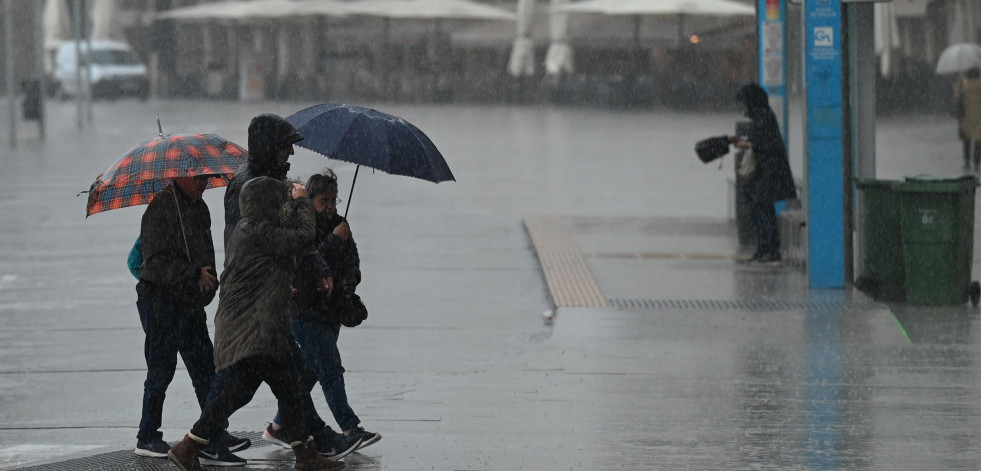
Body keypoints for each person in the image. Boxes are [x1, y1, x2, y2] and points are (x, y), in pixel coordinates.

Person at [167, 176, 357, 471]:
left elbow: (266, 273)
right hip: (253, 330)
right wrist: (303, 200)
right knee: (248, 391)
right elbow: (304, 238)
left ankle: (304, 455)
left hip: (261, 326)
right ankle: (189, 445)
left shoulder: (255, 230)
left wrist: (285, 288)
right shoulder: (255, 230)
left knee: (283, 390)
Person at [133, 175, 248, 466]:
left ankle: (212, 434)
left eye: (207, 178)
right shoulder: (161, 207)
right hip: (160, 301)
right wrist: (193, 272)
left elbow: (203, 251)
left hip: (188, 301)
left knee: (205, 368)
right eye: (198, 178)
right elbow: (156, 262)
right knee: (161, 368)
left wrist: (207, 280)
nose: (204, 183)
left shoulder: (198, 207)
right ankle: (147, 435)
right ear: (180, 176)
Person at [264, 169, 381, 452]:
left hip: (332, 312)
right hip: (306, 311)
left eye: (332, 200)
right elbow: (308, 259)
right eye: (323, 201)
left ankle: (278, 426)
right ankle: (349, 426)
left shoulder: (341, 224)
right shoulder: (304, 225)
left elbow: (354, 263)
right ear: (311, 200)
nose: (329, 206)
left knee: (309, 373)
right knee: (329, 369)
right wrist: (335, 241)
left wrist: (348, 280)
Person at [729, 83, 797, 264]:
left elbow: (759, 142)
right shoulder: (763, 114)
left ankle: (770, 249)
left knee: (762, 206)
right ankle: (764, 248)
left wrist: (742, 142)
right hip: (766, 169)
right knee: (759, 207)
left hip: (770, 170)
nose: (744, 107)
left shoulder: (763, 116)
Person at [224, 113, 303, 247]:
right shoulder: (248, 185)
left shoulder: (271, 176)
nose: (292, 152)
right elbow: (239, 242)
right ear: (271, 148)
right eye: (287, 145)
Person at [955, 67, 981, 171]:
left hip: (965, 116)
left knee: (966, 139)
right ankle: (976, 162)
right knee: (978, 140)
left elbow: (956, 96)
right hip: (978, 116)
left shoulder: (962, 83)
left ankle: (966, 161)